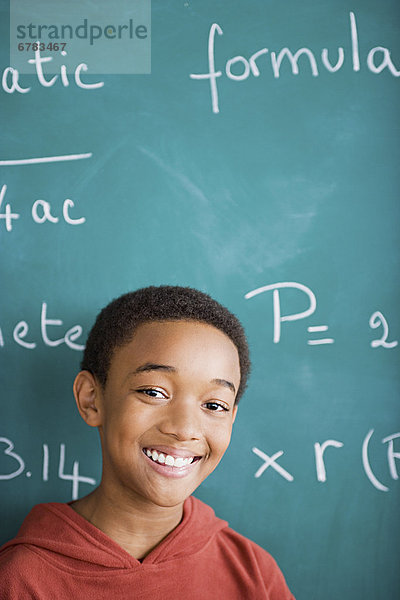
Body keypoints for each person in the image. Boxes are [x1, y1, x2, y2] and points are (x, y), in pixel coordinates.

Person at [0, 285, 295, 599]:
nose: (184, 429)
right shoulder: (23, 579)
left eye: (213, 405)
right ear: (92, 399)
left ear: (232, 416)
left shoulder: (253, 573)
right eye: (153, 392)